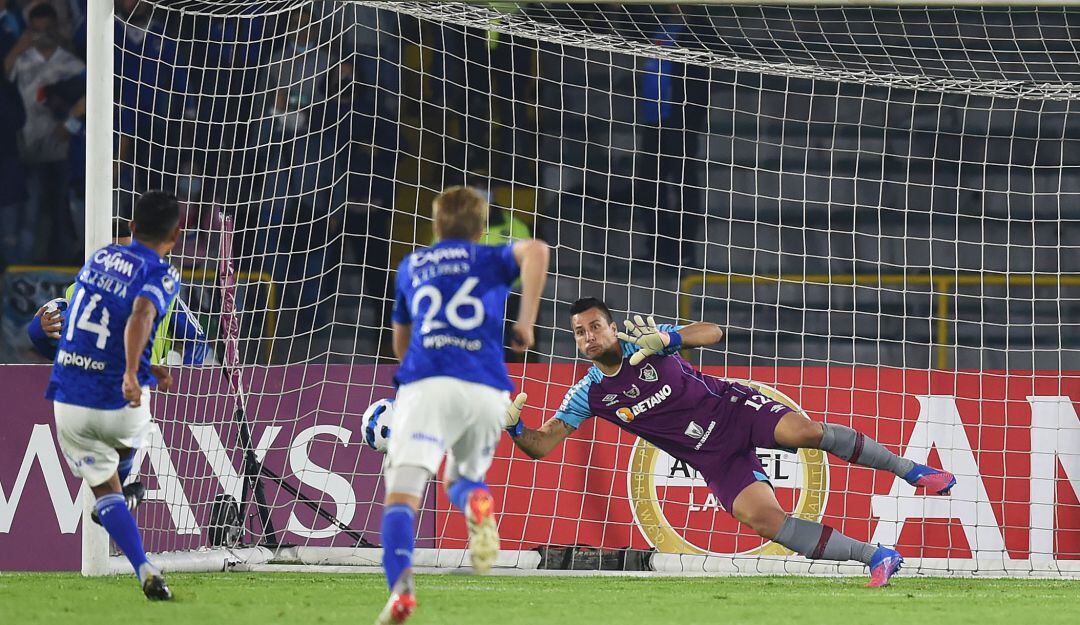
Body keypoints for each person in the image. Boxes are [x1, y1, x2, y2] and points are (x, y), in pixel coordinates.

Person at [503, 297, 958, 588]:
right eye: (580, 332)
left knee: (806, 432)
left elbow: (712, 332)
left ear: (610, 325)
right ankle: (875, 556)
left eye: (595, 326)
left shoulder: (644, 342)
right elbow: (544, 445)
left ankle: (914, 471)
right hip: (712, 458)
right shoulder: (589, 393)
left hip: (733, 411)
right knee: (763, 520)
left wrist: (668, 337)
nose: (589, 337)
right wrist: (516, 429)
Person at [377, 186, 549, 624]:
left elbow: (400, 344)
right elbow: (537, 250)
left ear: (436, 225)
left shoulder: (412, 265)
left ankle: (401, 594)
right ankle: (477, 502)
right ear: (480, 227)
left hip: (428, 381)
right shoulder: (490, 257)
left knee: (402, 494)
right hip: (487, 389)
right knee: (462, 477)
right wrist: (525, 322)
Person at [45, 190, 182, 600]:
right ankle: (125, 484)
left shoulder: (99, 258)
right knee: (125, 449)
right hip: (118, 401)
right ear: (176, 234)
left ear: (131, 226)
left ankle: (144, 567)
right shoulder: (162, 272)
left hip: (67, 394)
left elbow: (84, 325)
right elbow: (140, 313)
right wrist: (132, 371)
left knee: (104, 491)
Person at [27, 216, 208, 366]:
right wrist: (39, 334)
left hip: (143, 391)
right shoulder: (76, 291)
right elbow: (62, 351)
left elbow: (198, 340)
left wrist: (184, 380)